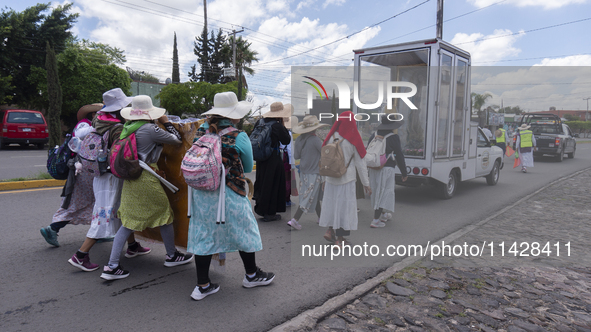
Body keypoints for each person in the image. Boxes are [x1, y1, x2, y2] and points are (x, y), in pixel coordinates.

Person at [187, 92, 274, 301]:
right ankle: (251, 275)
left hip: (202, 192)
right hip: (230, 191)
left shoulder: (201, 131)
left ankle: (202, 285)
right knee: (245, 230)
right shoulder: (238, 135)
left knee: (204, 234)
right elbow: (247, 162)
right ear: (234, 114)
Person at [100, 95, 193, 280]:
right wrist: (165, 122)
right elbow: (176, 139)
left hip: (130, 178)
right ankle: (171, 255)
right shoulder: (150, 129)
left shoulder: (127, 128)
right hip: (146, 177)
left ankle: (113, 265)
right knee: (164, 214)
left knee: (129, 222)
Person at [68, 88, 150, 272]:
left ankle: (132, 246)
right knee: (104, 216)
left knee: (120, 209)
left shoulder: (98, 119)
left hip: (99, 175)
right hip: (111, 178)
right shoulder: (117, 127)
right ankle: (80, 255)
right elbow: (121, 152)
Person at [40, 104, 100, 247]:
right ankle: (53, 228)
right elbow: (80, 134)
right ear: (92, 114)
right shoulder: (84, 125)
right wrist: (100, 126)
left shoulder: (91, 125)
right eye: (98, 113)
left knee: (93, 202)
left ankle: (98, 232)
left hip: (86, 170)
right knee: (79, 202)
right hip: (83, 171)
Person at [319, 111, 371, 247]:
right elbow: (361, 163)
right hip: (346, 179)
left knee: (332, 205)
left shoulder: (331, 137)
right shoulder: (353, 138)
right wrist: (366, 183)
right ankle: (340, 239)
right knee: (344, 208)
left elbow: (325, 160)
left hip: (330, 179)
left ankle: (330, 230)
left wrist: (324, 179)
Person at [287, 115, 328, 230]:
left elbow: (297, 156)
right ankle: (295, 220)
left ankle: (321, 217)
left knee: (313, 194)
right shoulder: (315, 140)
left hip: (303, 172)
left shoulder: (299, 139)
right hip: (314, 173)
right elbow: (324, 153)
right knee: (308, 196)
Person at [253, 102, 291, 222]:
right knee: (273, 184)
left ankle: (261, 209)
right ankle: (270, 213)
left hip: (261, 158)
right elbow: (286, 140)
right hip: (273, 158)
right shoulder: (277, 126)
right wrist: (283, 125)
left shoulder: (259, 122)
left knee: (262, 182)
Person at [367, 116, 408, 228]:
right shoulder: (393, 137)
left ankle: (384, 214)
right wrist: (404, 173)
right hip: (387, 169)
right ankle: (375, 220)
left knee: (377, 191)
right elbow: (399, 155)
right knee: (385, 192)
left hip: (374, 168)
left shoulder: (374, 135)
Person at [280, 110, 295, 207]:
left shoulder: (277, 131)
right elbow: (290, 149)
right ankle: (286, 200)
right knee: (288, 180)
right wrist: (292, 163)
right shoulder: (288, 133)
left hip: (279, 158)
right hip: (286, 159)